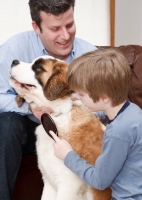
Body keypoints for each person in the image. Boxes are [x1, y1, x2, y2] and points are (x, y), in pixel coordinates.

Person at [0, 0, 97, 199]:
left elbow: (105, 106)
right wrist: (29, 108)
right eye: (55, 29)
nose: (65, 35)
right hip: (27, 129)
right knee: (7, 123)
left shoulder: (90, 56)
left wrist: (75, 106)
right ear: (36, 27)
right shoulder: (13, 48)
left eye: (69, 25)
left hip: (71, 130)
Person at [50, 48, 142, 200]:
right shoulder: (132, 111)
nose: (76, 98)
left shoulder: (118, 131)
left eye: (82, 94)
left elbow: (99, 181)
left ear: (104, 97)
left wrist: (67, 155)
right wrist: (108, 132)